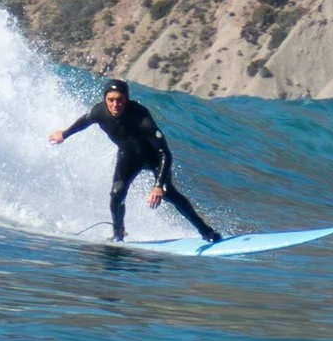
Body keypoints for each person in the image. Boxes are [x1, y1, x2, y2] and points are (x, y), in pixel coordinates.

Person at [49, 78, 223, 244]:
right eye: (110, 100)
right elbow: (84, 121)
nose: (115, 105)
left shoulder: (141, 116)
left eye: (119, 100)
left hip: (153, 157)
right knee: (117, 194)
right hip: (128, 157)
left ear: (127, 99)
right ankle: (118, 235)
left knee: (168, 191)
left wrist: (158, 185)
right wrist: (64, 134)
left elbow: (165, 153)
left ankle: (207, 232)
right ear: (105, 100)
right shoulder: (99, 112)